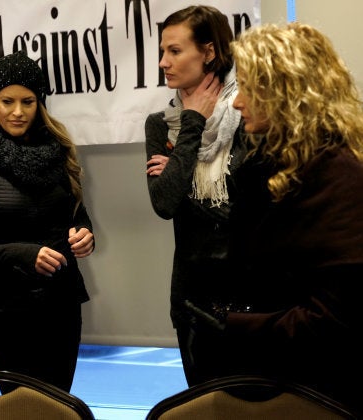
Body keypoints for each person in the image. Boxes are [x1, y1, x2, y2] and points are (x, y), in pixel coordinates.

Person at [191, 22, 362, 416]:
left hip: (323, 394)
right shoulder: (277, 167)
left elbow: (338, 318)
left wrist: (233, 327)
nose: (236, 102)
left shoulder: (338, 176)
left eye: (249, 87)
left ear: (285, 91)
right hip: (281, 381)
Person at [0, 50, 95, 393]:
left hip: (61, 305)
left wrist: (86, 234)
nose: (17, 111)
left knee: (58, 406)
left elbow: (77, 216)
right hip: (4, 310)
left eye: (27, 101)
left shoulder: (60, 151)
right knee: (21, 409)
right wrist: (24, 254)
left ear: (40, 102)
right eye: (7, 101)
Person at [144, 5, 247, 386]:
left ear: (208, 52)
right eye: (162, 52)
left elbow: (246, 205)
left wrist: (175, 168)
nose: (163, 63)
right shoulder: (162, 124)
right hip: (191, 298)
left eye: (174, 51)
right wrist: (192, 125)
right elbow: (164, 203)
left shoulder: (248, 113)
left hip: (250, 292)